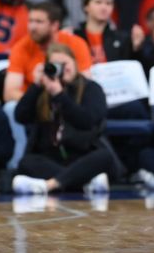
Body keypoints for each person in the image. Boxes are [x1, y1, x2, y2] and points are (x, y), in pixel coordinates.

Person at [12, 43, 112, 195]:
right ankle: (83, 182)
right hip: (51, 157)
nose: (62, 69)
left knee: (104, 156)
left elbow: (87, 121)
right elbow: (20, 116)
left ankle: (49, 185)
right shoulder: (43, 90)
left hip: (82, 154)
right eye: (55, 65)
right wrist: (36, 85)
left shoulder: (91, 88)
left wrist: (60, 96)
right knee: (26, 163)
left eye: (65, 64)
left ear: (75, 63)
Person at [3, 2, 93, 169]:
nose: (32, 27)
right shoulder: (21, 47)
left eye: (39, 22)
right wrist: (39, 96)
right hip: (38, 102)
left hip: (68, 101)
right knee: (10, 107)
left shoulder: (75, 44)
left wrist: (59, 92)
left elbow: (86, 83)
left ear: (54, 25)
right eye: (30, 21)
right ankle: (16, 162)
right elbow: (9, 92)